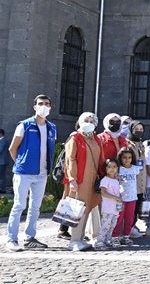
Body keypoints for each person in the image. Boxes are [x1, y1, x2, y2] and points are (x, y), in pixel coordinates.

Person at [5, 95, 56, 251]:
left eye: (47, 104)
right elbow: (13, 148)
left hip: (42, 173)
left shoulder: (52, 127)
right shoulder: (25, 125)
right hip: (24, 173)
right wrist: (21, 164)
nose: (44, 106)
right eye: (41, 104)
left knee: (35, 207)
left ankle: (30, 237)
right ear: (35, 107)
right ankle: (11, 239)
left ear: (50, 107)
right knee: (19, 205)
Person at [61, 112, 99, 251]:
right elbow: (70, 159)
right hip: (80, 179)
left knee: (87, 208)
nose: (89, 122)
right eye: (86, 120)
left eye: (92, 120)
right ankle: (74, 240)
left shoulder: (95, 139)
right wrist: (72, 179)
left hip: (92, 180)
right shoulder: (75, 137)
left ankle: (81, 238)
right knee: (77, 209)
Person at [112, 148, 140, 245]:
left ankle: (126, 236)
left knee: (130, 218)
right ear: (120, 158)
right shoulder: (118, 169)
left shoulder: (135, 169)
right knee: (119, 218)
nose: (127, 160)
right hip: (121, 198)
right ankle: (115, 236)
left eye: (129, 157)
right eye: (124, 157)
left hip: (132, 197)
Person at [96, 158, 123, 250]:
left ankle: (108, 240)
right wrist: (116, 198)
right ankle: (99, 241)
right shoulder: (105, 180)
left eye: (114, 167)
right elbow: (103, 192)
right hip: (107, 208)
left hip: (115, 208)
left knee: (112, 225)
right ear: (105, 168)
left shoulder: (116, 181)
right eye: (109, 167)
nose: (112, 169)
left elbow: (118, 193)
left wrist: (120, 202)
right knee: (105, 225)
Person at [0, 129, 10, 194]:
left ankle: (2, 189)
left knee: (1, 176)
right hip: (2, 161)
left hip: (2, 161)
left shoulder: (3, 140)